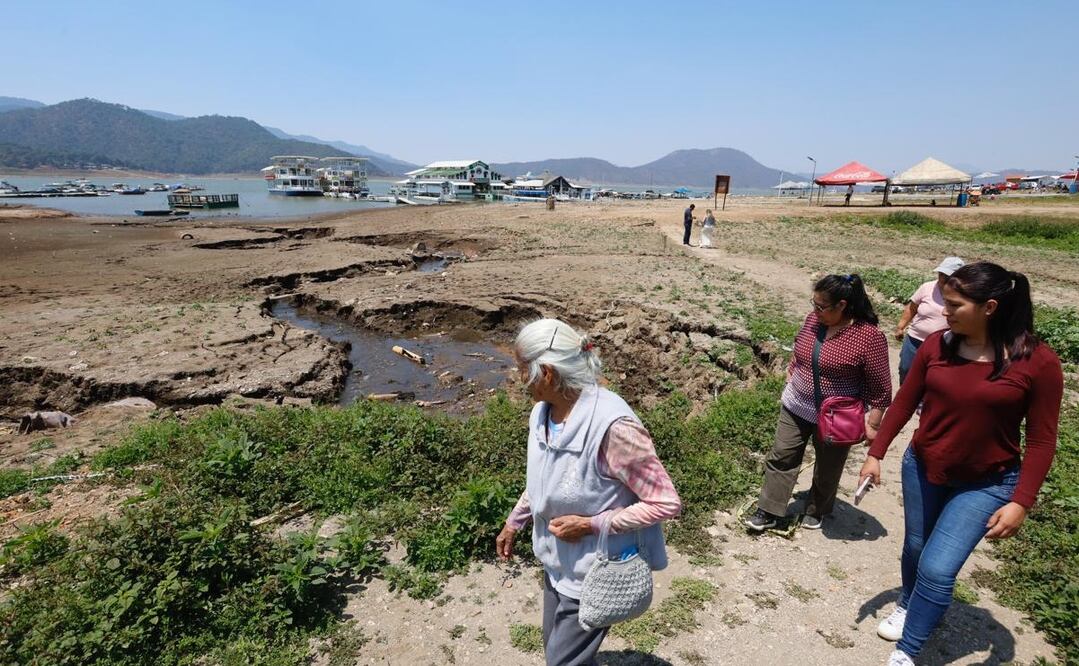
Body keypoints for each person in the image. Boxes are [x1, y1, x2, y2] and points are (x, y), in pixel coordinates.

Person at [859, 262, 1063, 666]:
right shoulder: (938, 345)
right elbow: (904, 402)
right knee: (916, 547)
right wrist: (875, 454)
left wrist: (1021, 501)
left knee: (938, 567)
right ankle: (909, 602)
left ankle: (907, 651)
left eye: (954, 304)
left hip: (988, 482)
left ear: (989, 307)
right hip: (924, 466)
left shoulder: (1037, 362)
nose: (944, 310)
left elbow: (1042, 440)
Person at [496, 318, 681, 666]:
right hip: (556, 561)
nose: (519, 379)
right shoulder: (542, 415)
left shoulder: (614, 429)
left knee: (562, 660)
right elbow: (542, 481)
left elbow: (665, 502)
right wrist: (514, 522)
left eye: (522, 368)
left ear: (547, 373)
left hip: (593, 571)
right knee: (557, 648)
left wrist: (592, 524)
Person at [745, 274, 892, 531]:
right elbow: (800, 348)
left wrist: (873, 424)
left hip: (837, 415)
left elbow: (881, 387)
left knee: (828, 467)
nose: (815, 311)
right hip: (797, 405)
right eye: (814, 304)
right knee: (782, 456)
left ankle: (817, 508)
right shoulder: (813, 320)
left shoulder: (868, 337)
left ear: (842, 305)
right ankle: (768, 510)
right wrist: (792, 371)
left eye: (822, 306)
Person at [893, 257, 964, 384]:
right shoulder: (927, 287)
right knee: (906, 369)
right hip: (915, 340)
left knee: (932, 376)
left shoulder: (964, 295)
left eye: (948, 276)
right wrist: (900, 327)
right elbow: (912, 308)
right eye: (941, 274)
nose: (943, 278)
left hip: (943, 344)